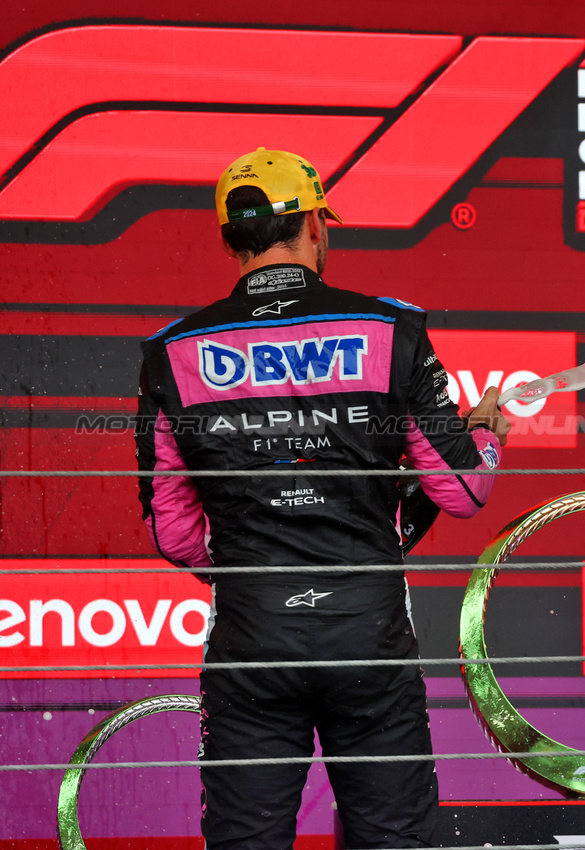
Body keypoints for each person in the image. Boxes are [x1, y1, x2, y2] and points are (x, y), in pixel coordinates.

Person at [135, 148, 510, 849]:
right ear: (313, 223)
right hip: (368, 639)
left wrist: (257, 562)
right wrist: (485, 436)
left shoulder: (172, 352)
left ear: (228, 238)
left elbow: (176, 537)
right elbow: (461, 491)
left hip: (251, 640)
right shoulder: (389, 330)